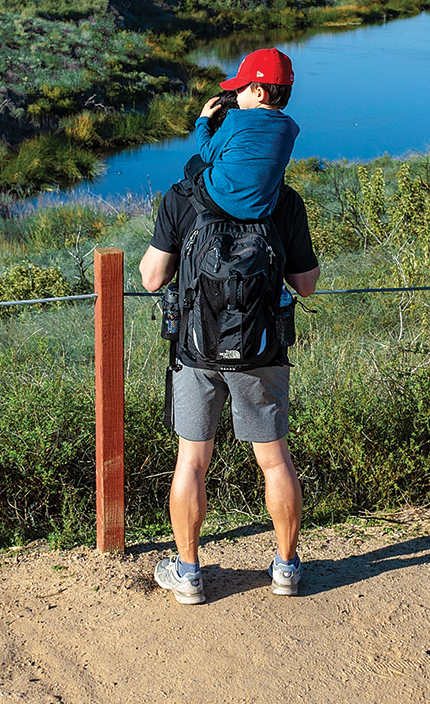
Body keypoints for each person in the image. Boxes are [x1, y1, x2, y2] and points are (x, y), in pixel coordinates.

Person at [138, 172, 321, 605]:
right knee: (275, 462)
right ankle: (287, 570)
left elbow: (151, 278)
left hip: (196, 354)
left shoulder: (183, 196)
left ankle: (188, 574)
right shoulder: (282, 198)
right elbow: (306, 285)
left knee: (192, 462)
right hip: (262, 354)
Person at [189, 47, 300, 221]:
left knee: (194, 163)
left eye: (240, 87)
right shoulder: (291, 128)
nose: (236, 93)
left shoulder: (236, 119)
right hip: (262, 210)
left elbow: (207, 153)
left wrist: (202, 120)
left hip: (219, 201)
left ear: (259, 93)